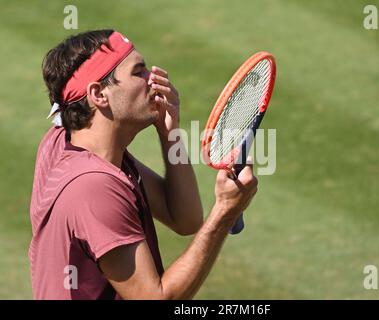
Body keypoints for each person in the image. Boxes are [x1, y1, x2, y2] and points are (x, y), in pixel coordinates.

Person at [29, 29, 258, 299]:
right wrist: (225, 213)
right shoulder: (93, 186)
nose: (154, 81)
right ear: (99, 94)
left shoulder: (70, 143)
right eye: (139, 73)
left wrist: (169, 133)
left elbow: (184, 219)